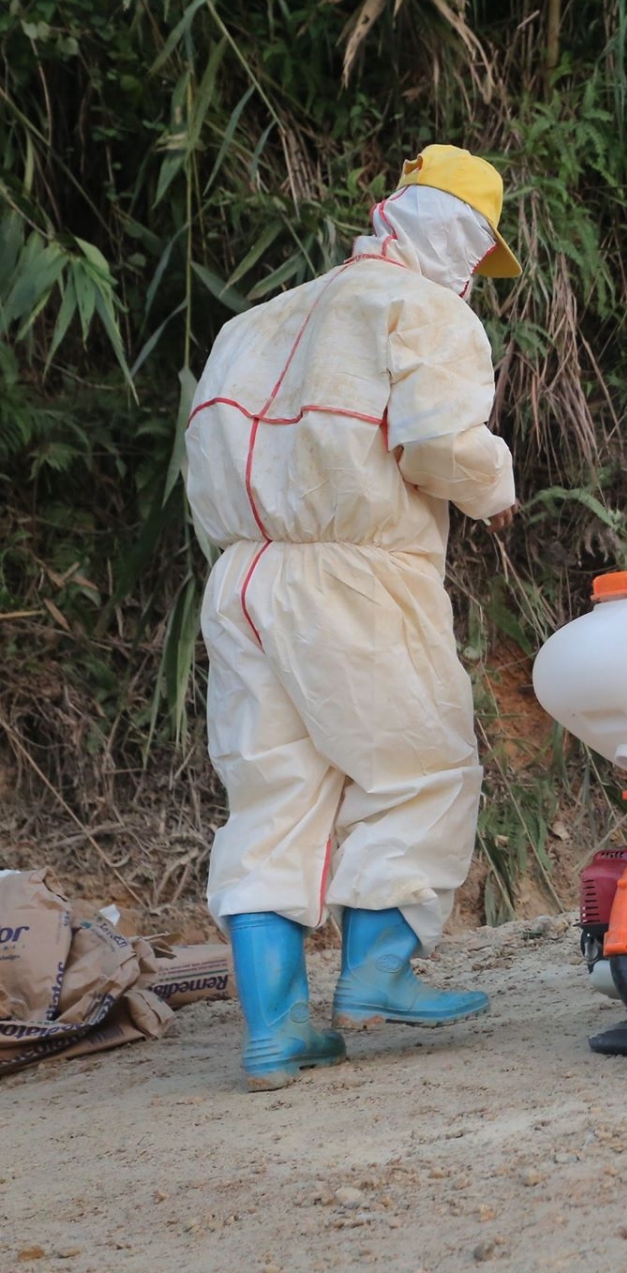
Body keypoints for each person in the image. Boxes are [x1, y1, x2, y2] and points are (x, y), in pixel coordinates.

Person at [186, 145, 520, 1091]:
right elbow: (437, 446)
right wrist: (495, 486)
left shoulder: (256, 320)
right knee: (421, 764)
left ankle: (276, 1027)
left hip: (244, 576)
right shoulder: (424, 309)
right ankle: (377, 970)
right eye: (479, 254)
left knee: (271, 794)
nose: (475, 279)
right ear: (462, 234)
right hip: (360, 572)